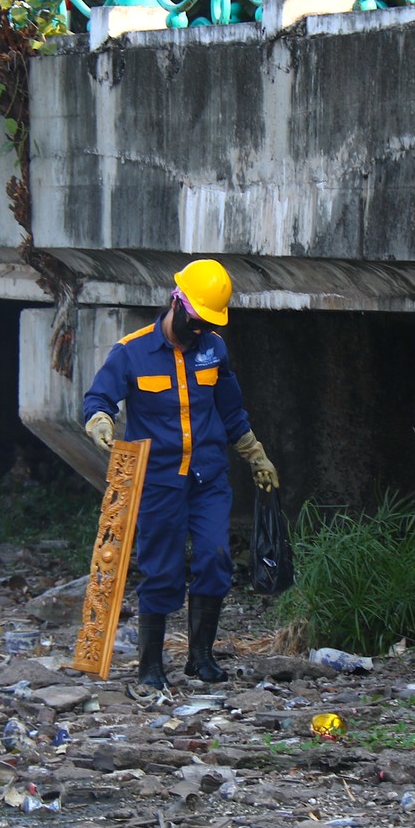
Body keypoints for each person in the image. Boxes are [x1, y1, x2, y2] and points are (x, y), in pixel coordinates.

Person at [81, 259, 280, 692]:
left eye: (208, 322)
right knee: (163, 570)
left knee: (214, 558)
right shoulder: (131, 352)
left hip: (208, 477)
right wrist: (99, 419)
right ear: (177, 301)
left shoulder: (214, 348)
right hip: (158, 482)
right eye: (195, 319)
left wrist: (254, 454)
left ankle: (201, 658)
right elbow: (99, 396)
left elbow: (231, 410)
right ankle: (150, 667)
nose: (199, 329)